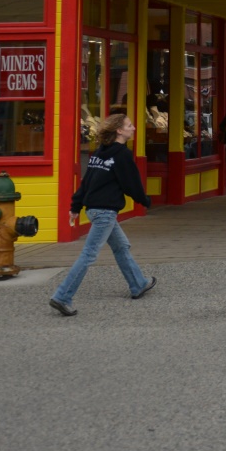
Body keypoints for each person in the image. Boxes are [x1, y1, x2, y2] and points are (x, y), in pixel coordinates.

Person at [50, 115, 155, 316]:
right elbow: (131, 184)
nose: (133, 128)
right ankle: (62, 297)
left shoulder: (100, 153)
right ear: (119, 131)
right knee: (88, 255)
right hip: (105, 212)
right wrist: (146, 201)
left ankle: (138, 284)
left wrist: (76, 206)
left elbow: (86, 182)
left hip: (95, 210)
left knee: (121, 246)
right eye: (129, 125)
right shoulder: (122, 155)